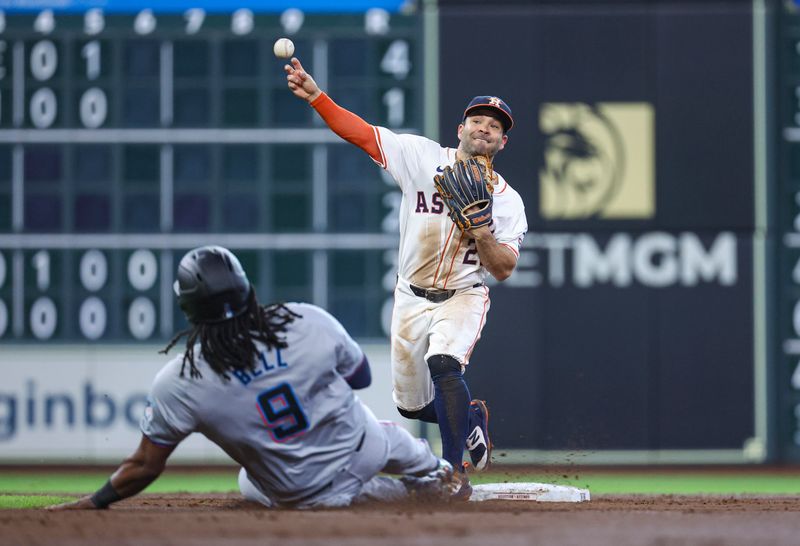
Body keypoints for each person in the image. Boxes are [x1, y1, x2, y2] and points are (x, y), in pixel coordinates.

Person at [49, 245, 455, 510]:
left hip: (301, 493)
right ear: (247, 290)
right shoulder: (304, 319)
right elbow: (360, 377)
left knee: (250, 481)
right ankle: (433, 471)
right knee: (379, 427)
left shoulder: (181, 381)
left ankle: (399, 496)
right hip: (363, 447)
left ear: (188, 310)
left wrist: (93, 502)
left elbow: (144, 466)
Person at [284, 57, 528, 498]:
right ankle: (470, 417)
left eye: (494, 126)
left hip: (462, 295)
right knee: (410, 405)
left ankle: (452, 473)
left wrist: (480, 231)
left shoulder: (508, 201)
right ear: (460, 129)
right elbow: (360, 133)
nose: (484, 128)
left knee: (444, 364)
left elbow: (504, 268)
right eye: (477, 120)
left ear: (503, 142)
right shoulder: (420, 158)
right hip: (410, 295)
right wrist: (317, 98)